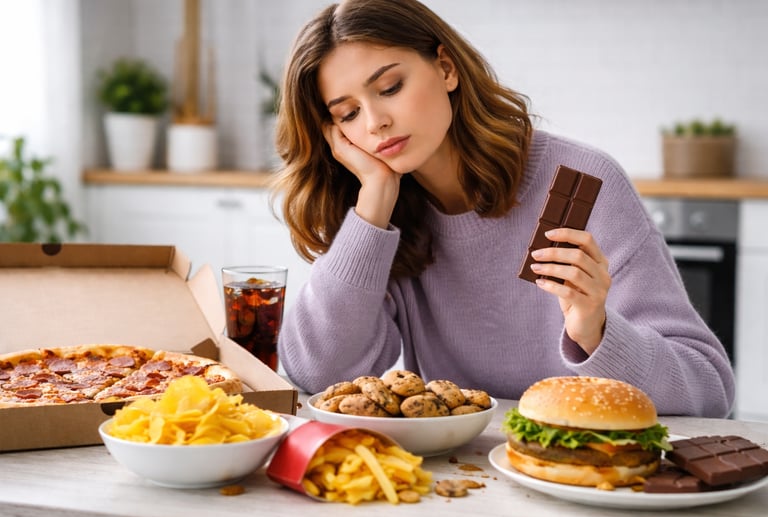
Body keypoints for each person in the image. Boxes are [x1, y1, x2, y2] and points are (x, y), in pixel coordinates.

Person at [270, 0, 734, 417]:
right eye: (348, 114)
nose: (375, 122)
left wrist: (595, 330)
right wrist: (374, 200)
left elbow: (708, 389)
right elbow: (318, 374)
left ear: (446, 68)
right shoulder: (381, 219)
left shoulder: (579, 181)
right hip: (460, 473)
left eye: (390, 87)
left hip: (588, 469)